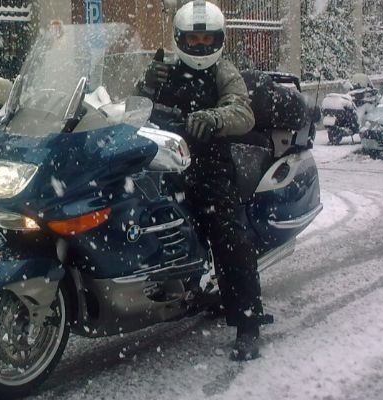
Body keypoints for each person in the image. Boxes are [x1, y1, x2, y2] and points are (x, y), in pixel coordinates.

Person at [137, 0, 266, 361]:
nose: (199, 46)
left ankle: (247, 323)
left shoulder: (225, 72)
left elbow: (243, 111)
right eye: (192, 40)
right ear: (179, 39)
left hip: (207, 164)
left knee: (226, 232)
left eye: (205, 39)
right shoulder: (164, 67)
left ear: (219, 40)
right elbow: (132, 105)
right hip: (162, 161)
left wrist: (214, 117)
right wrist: (145, 84)